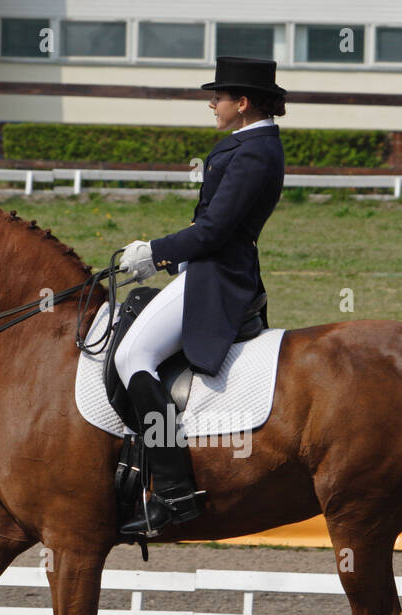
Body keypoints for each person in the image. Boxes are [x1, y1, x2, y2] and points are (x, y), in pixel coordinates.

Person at [114, 56, 287, 536]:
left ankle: (172, 490)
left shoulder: (255, 151)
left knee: (133, 356)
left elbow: (214, 230)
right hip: (205, 265)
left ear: (244, 102)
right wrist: (170, 254)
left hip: (219, 275)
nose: (213, 103)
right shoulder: (248, 144)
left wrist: (156, 252)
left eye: (219, 97)